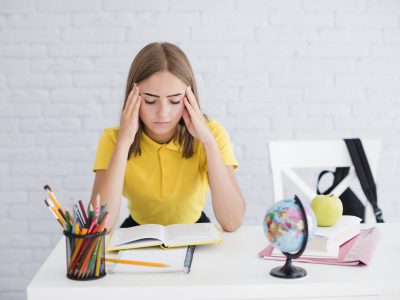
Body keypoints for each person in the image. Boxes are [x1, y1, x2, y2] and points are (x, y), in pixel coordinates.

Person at [90, 42, 245, 232]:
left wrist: (208, 143)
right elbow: (98, 228)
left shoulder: (212, 133)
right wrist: (124, 143)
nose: (163, 113)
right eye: (150, 101)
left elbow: (232, 221)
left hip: (194, 230)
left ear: (189, 98)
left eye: (174, 101)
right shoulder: (113, 139)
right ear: (133, 96)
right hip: (138, 232)